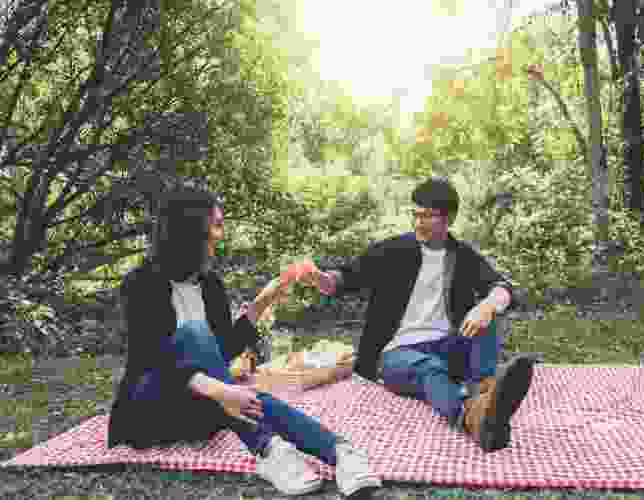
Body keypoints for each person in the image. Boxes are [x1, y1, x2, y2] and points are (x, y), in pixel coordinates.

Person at [107, 187, 381, 498]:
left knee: (243, 390)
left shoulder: (210, 285)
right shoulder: (139, 284)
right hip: (150, 408)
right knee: (195, 334)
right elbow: (150, 358)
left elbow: (222, 350)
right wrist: (220, 390)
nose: (221, 234)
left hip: (203, 409)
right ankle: (267, 448)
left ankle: (342, 454)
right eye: (217, 224)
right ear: (191, 228)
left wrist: (265, 300)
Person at [295, 178, 535, 452]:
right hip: (396, 354)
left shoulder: (463, 256)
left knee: (490, 315)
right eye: (416, 214)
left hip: (448, 346)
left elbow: (503, 287)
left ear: (449, 218)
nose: (419, 222)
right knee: (429, 369)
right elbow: (346, 278)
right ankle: (471, 416)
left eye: (429, 216)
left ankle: (485, 392)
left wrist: (488, 305)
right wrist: (320, 279)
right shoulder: (392, 250)